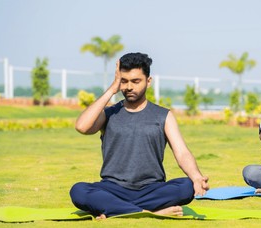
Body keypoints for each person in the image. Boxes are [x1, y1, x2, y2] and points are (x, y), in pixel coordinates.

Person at [70, 52, 209, 219]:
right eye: (124, 81)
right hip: (113, 189)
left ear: (148, 82)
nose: (129, 87)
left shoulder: (163, 116)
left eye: (135, 81)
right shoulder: (109, 113)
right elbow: (82, 127)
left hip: (152, 190)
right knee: (78, 191)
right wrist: (112, 89)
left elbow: (182, 153)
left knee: (185, 187)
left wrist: (196, 177)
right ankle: (148, 212)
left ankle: (117, 209)